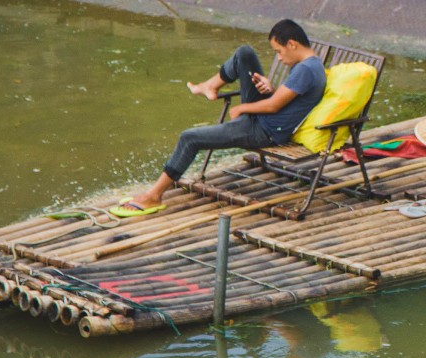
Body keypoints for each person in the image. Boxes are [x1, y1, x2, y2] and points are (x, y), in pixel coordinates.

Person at [118, 20, 326, 215]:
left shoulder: (306, 70)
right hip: (263, 119)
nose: (279, 58)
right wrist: (270, 88)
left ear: (292, 44)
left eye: (278, 52)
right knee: (244, 54)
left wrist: (243, 108)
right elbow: (283, 100)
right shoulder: (310, 65)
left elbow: (273, 106)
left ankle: (153, 196)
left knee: (189, 138)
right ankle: (210, 85)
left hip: (264, 130)